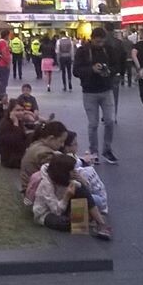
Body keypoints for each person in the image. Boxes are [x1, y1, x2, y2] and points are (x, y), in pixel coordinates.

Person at [31, 153, 112, 240]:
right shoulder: (46, 185)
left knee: (81, 190)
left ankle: (101, 224)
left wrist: (81, 180)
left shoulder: (66, 179)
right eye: (72, 170)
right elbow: (56, 211)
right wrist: (67, 196)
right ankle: (85, 219)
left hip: (62, 205)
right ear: (64, 172)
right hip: (47, 213)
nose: (75, 171)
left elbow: (86, 192)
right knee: (67, 223)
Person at [73, 27, 120, 165]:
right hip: (89, 91)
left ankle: (107, 149)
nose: (100, 44)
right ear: (92, 39)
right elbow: (75, 70)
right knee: (93, 124)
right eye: (98, 42)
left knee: (110, 121)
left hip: (106, 89)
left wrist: (109, 71)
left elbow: (116, 66)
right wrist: (91, 70)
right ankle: (94, 151)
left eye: (102, 42)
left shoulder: (108, 49)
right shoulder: (83, 51)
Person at [61, 131, 109, 214]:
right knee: (98, 200)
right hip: (82, 191)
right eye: (75, 144)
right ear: (66, 147)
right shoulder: (70, 164)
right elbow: (84, 185)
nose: (77, 146)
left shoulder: (71, 158)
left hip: (90, 190)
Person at [20, 120, 69, 192]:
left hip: (30, 187)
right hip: (34, 192)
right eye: (61, 141)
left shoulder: (36, 144)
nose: (62, 145)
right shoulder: (45, 154)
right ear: (51, 138)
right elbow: (58, 175)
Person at [0, 100, 31, 168]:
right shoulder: (5, 124)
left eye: (22, 110)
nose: (21, 113)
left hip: (18, 155)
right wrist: (16, 123)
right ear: (10, 111)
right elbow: (15, 142)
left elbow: (23, 138)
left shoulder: (18, 121)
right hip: (11, 160)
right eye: (17, 110)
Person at [0, 30, 13, 95]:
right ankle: (2, 95)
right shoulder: (3, 42)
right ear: (6, 35)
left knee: (1, 80)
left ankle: (1, 94)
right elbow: (4, 53)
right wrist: (8, 63)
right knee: (4, 81)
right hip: (3, 64)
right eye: (9, 35)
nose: (9, 37)